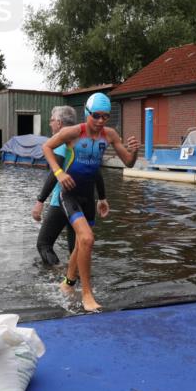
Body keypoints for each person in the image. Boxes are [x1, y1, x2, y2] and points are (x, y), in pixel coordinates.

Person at [42, 92, 140, 312]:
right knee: (87, 238)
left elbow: (129, 163)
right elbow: (46, 147)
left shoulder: (110, 135)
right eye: (96, 115)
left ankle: (67, 285)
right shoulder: (73, 132)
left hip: (89, 196)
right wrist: (58, 173)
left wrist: (134, 152)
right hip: (69, 194)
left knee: (81, 244)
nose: (100, 121)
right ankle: (87, 294)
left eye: (105, 117)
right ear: (87, 113)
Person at [31, 105, 109, 265]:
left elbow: (55, 172)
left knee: (44, 244)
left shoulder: (63, 138)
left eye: (52, 120)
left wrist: (40, 201)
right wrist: (101, 197)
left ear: (59, 123)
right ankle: (76, 282)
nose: (50, 123)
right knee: (76, 249)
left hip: (62, 201)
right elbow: (96, 172)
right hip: (84, 202)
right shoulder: (84, 137)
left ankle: (56, 275)